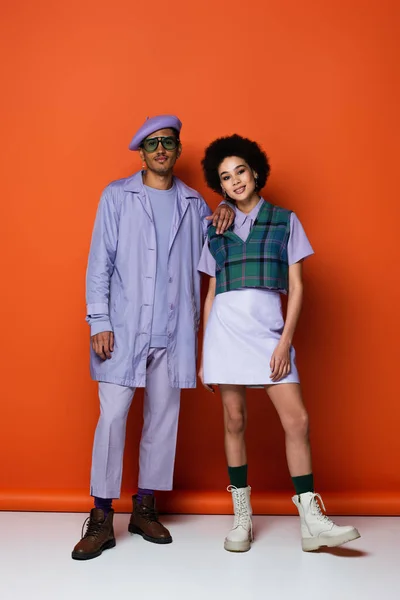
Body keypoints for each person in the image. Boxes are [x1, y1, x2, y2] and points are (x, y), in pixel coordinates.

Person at [71, 115, 234, 560]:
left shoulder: (194, 203)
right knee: (113, 419)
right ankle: (102, 517)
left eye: (168, 142)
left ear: (178, 149)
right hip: (123, 330)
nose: (161, 149)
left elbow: (219, 248)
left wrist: (227, 206)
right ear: (141, 153)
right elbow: (98, 262)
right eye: (152, 143)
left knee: (162, 420)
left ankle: (145, 508)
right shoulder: (116, 197)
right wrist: (99, 320)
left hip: (173, 331)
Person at [198, 134, 360, 553]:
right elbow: (212, 289)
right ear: (219, 185)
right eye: (224, 177)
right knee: (233, 421)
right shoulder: (214, 227)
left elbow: (297, 285)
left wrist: (284, 342)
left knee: (297, 421)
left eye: (240, 171)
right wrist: (204, 353)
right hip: (224, 335)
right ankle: (242, 519)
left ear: (255, 172)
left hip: (268, 335)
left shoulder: (286, 220)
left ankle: (312, 522)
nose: (234, 181)